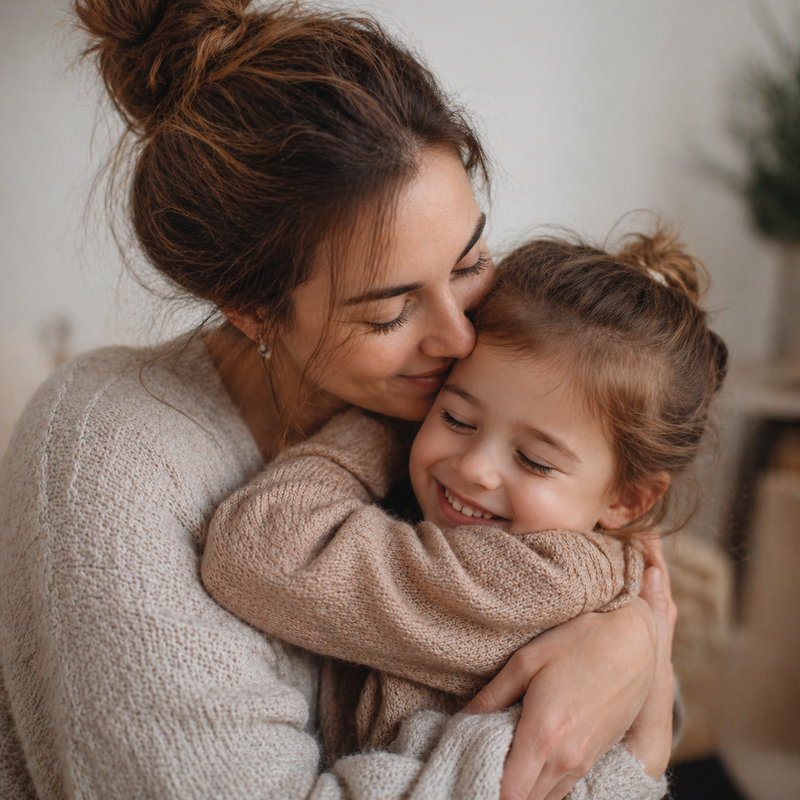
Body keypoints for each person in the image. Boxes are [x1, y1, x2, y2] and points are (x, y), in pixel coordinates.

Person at [0, 1, 675, 798]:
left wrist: (630, 641)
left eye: (469, 261)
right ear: (251, 309)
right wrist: (636, 756)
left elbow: (596, 561)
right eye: (389, 311)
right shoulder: (103, 461)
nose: (460, 337)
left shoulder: (459, 399)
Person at [201, 226, 727, 798]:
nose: (476, 468)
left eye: (533, 459)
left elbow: (259, 547)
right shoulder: (510, 540)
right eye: (455, 418)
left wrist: (386, 421)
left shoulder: (541, 578)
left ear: (626, 500)